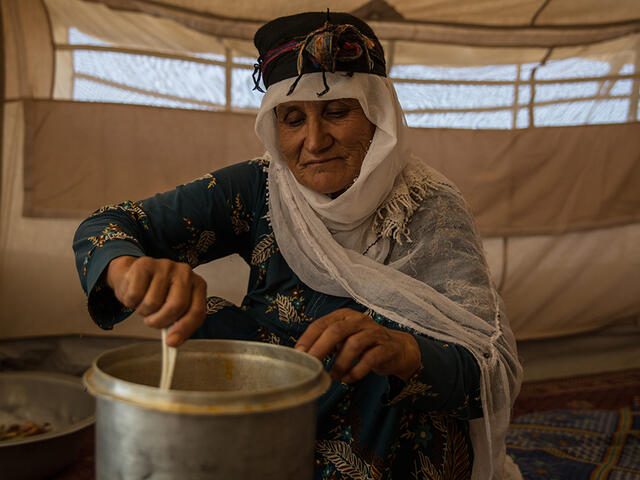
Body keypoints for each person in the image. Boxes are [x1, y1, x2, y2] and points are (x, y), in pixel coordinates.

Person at [73, 11, 522, 480]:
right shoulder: (261, 186)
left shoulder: (430, 207)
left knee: (377, 360)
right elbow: (109, 225)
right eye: (292, 118)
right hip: (270, 405)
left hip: (385, 433)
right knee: (205, 321)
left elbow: (488, 373)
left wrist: (402, 349)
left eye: (335, 111)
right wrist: (130, 274)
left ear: (377, 116)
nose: (314, 141)